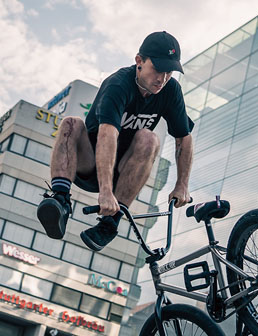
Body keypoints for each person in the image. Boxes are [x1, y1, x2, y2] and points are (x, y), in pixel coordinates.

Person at [37, 31, 193, 252]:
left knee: (149, 139)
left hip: (125, 173)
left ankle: (110, 224)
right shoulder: (118, 84)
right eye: (157, 69)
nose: (163, 78)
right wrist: (105, 191)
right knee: (71, 123)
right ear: (139, 61)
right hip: (89, 163)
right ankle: (60, 201)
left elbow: (184, 138)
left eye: (169, 72)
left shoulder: (170, 91)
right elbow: (107, 135)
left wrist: (182, 185)